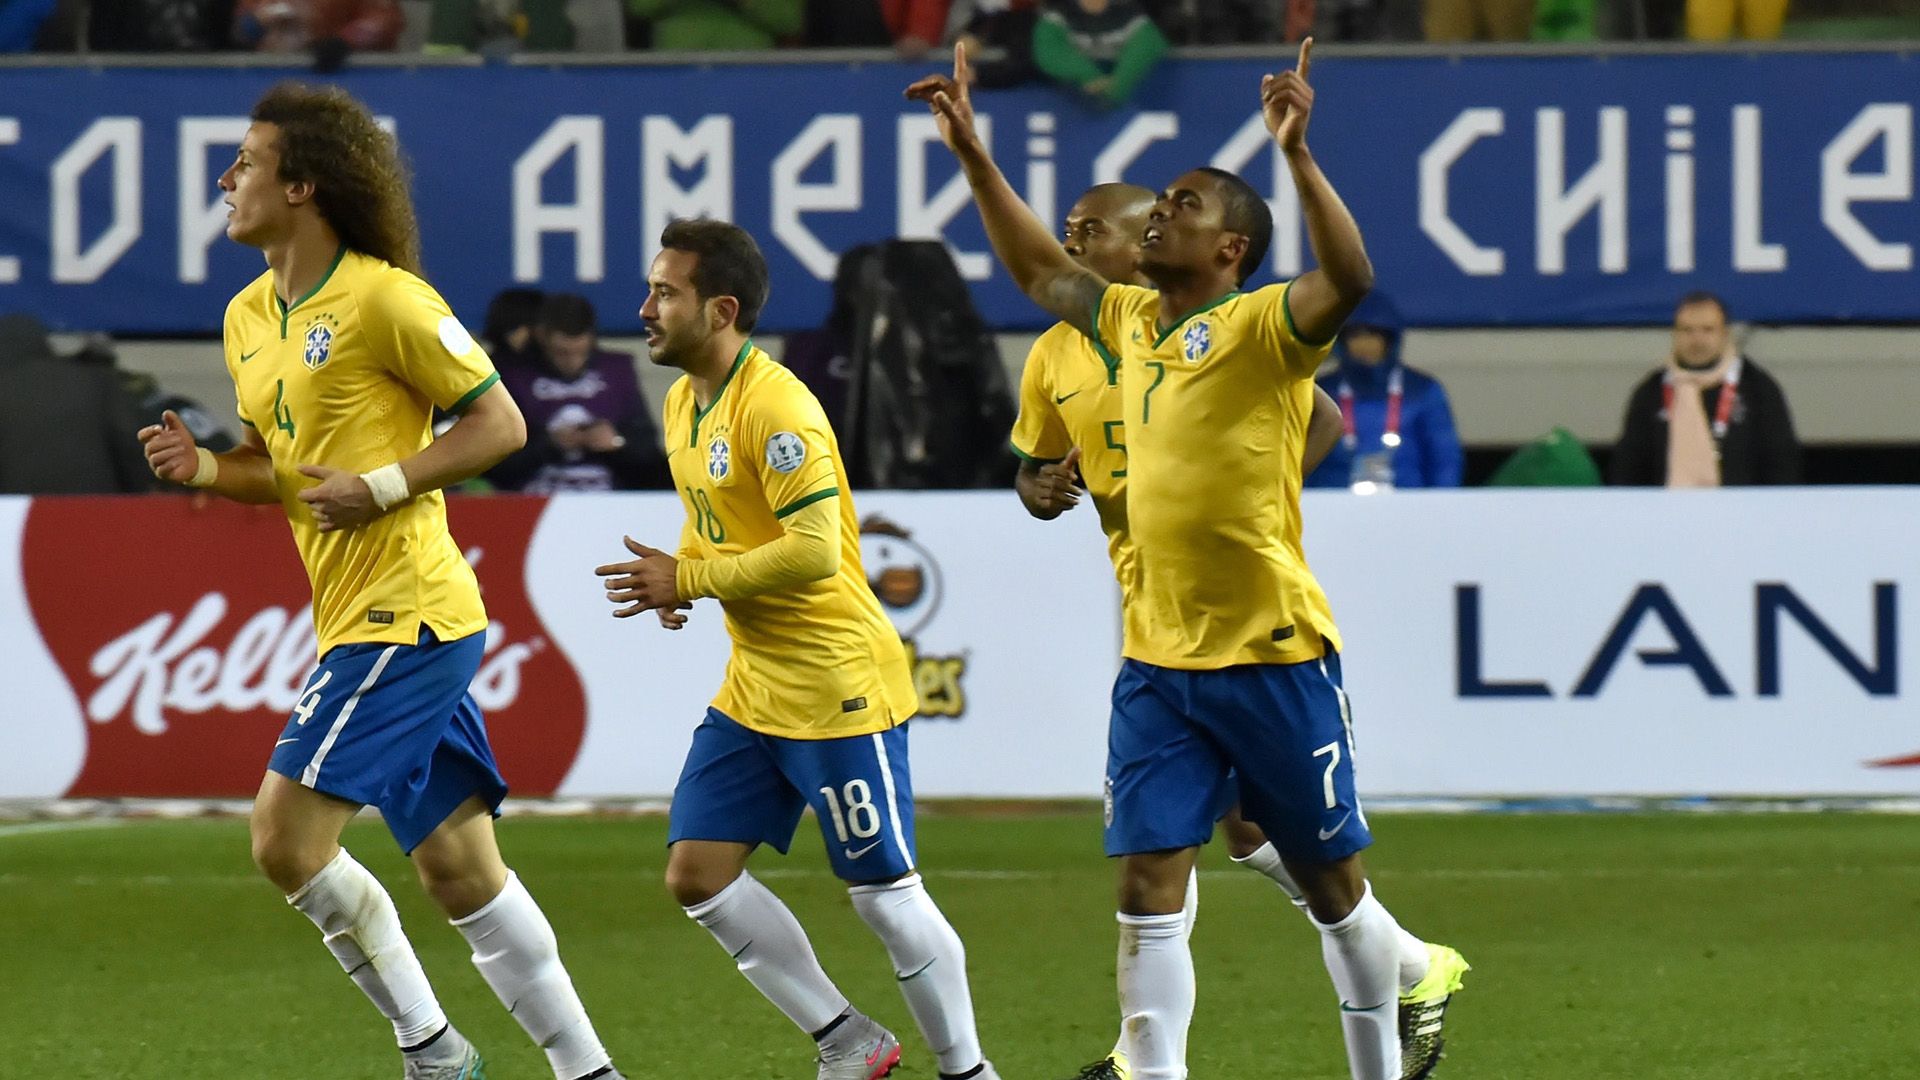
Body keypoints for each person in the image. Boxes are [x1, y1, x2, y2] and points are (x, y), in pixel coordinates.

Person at [910, 41, 1468, 1080]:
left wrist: (1297, 155)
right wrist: (973, 156)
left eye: (1187, 204)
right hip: (1158, 661)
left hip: (1272, 653)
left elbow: (1349, 276)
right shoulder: (1126, 324)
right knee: (1147, 882)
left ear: (1232, 250)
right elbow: (1038, 270)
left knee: (1330, 882)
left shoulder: (1263, 330)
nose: (1162, 212)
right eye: (1159, 201)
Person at [136, 82, 624, 1080]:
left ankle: (433, 1052)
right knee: (460, 870)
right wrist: (211, 472)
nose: (227, 178)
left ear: (304, 184)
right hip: (359, 615)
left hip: (406, 615)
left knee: (284, 839)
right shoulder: (245, 317)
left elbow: (501, 424)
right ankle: (591, 1073)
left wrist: (387, 483)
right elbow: (280, 467)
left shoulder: (387, 298)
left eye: (248, 161)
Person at [1014, 184, 1457, 1080]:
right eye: (1068, 232)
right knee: (1172, 862)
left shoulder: (1238, 331)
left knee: (1275, 848)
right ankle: (1151, 1057)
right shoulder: (1062, 351)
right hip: (1156, 633)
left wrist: (1236, 500)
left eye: (1092, 228)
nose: (1077, 241)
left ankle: (1409, 966)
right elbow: (1032, 467)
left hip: (1260, 641)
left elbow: (1325, 412)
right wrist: (1043, 491)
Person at [593, 219, 1002, 1080]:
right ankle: (847, 1039)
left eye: (666, 292)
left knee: (886, 901)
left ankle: (968, 1071)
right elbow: (722, 523)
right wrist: (685, 575)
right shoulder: (681, 400)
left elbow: (815, 549)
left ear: (722, 309)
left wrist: (692, 582)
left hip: (836, 684)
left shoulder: (778, 406)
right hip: (754, 686)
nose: (646, 308)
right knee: (696, 873)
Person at [1609, 290, 1801, 488]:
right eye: (1687, 330)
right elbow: (1627, 470)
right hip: (1667, 514)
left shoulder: (1758, 389)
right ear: (1674, 334)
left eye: (1707, 330)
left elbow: (1782, 466)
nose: (1697, 339)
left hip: (1743, 514)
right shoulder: (1651, 391)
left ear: (1725, 334)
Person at [487, 293, 670, 493]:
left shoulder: (617, 372)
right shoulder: (512, 375)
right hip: (530, 501)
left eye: (581, 353)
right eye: (562, 353)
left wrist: (616, 442)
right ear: (541, 335)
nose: (573, 362)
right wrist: (549, 444)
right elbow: (493, 459)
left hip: (609, 499)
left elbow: (648, 449)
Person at [1305, 291, 1464, 492]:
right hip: (1333, 508)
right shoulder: (1320, 392)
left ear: (1390, 340)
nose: (1365, 344)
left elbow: (1445, 461)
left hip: (1412, 508)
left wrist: (1441, 508)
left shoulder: (1423, 391)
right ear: (1342, 341)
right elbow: (1299, 458)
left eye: (1374, 335)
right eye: (1356, 335)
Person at [0, 313, 152, 494]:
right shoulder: (95, 381)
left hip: (16, 512)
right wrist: (136, 492)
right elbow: (130, 445)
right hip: (93, 506)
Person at [1033, 0, 1169, 109]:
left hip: (1132, 100)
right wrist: (1088, 76)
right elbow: (1049, 51)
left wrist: (1116, 87)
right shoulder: (1057, 15)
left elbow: (1148, 43)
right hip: (1066, 107)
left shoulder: (1129, 13)